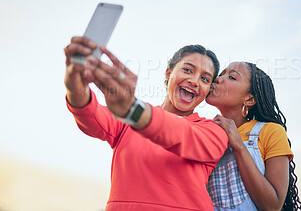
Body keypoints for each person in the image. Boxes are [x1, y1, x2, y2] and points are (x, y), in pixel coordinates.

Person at [64, 37, 229, 210]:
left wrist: (132, 109)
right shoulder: (126, 121)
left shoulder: (214, 132)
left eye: (204, 79)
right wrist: (74, 84)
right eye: (188, 70)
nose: (194, 81)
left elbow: (180, 134)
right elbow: (89, 114)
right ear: (168, 72)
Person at [206, 62, 301, 211]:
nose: (218, 79)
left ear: (249, 100)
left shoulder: (271, 131)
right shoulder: (206, 132)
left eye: (232, 77)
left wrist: (238, 145)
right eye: (221, 74)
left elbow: (272, 206)